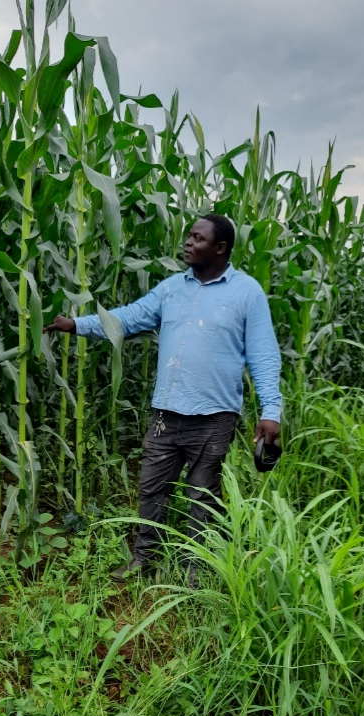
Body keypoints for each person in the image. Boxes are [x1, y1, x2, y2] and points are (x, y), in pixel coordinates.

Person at [45, 213, 282, 584]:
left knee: (202, 495)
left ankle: (194, 570)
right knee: (152, 488)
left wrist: (271, 410)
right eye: (188, 236)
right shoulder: (172, 288)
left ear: (220, 248)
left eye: (197, 238)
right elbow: (129, 317)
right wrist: (77, 325)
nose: (188, 242)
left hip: (214, 415)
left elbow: (264, 355)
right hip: (165, 414)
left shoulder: (246, 292)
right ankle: (143, 559)